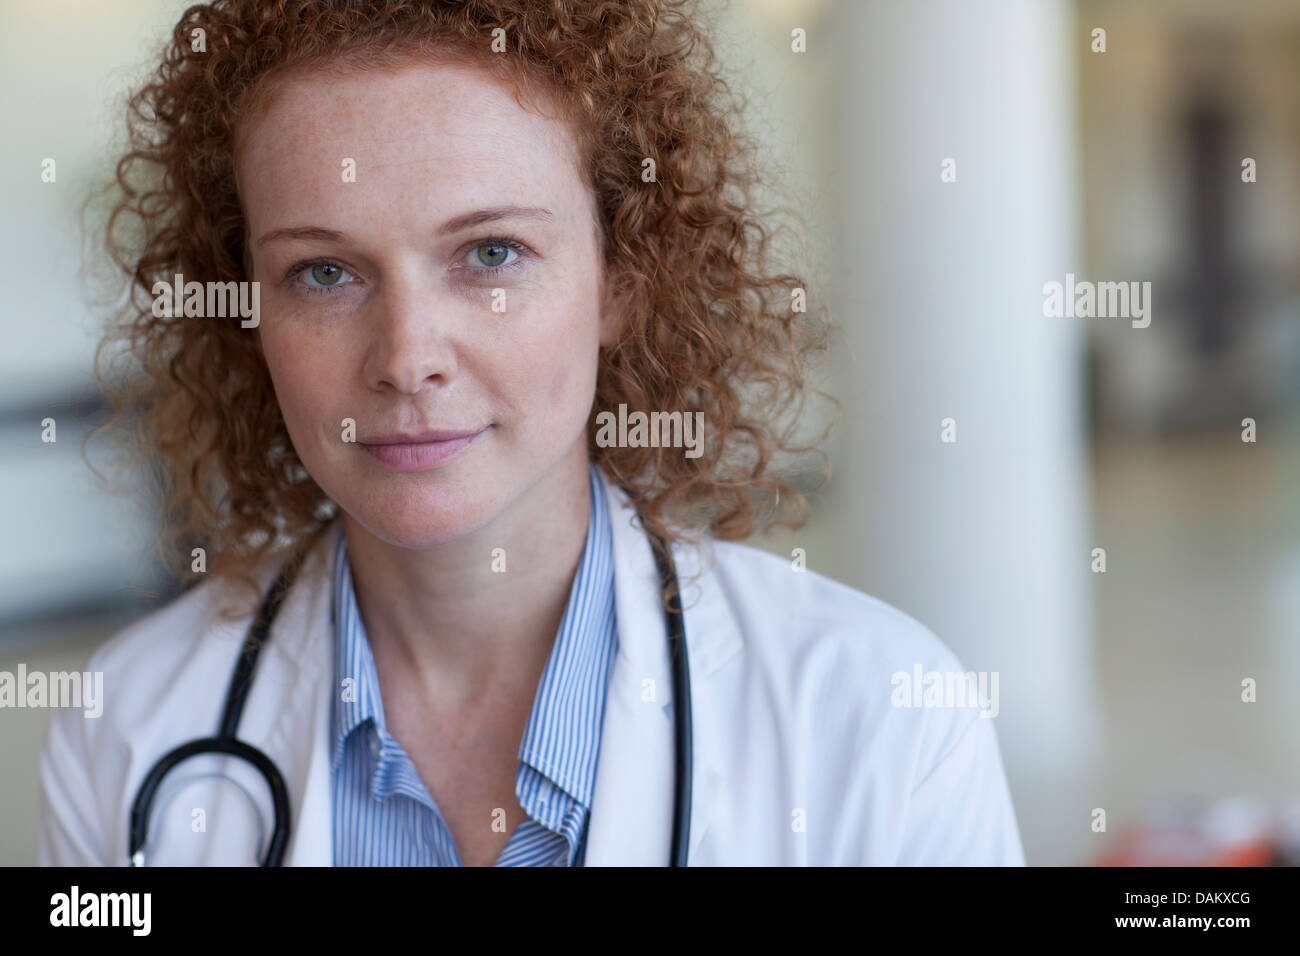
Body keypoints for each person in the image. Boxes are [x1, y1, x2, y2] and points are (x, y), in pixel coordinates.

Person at [37, 0, 1024, 866]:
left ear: (623, 280)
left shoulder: (883, 720)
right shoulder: (128, 727)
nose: (407, 355)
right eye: (324, 272)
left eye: (490, 253)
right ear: (247, 309)